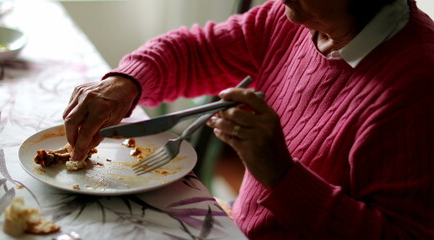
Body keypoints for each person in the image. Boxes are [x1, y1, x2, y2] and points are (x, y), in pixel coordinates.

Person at [62, 0, 434, 238]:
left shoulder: (417, 89)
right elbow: (194, 52)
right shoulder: (296, 19)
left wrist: (279, 174)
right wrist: (127, 82)